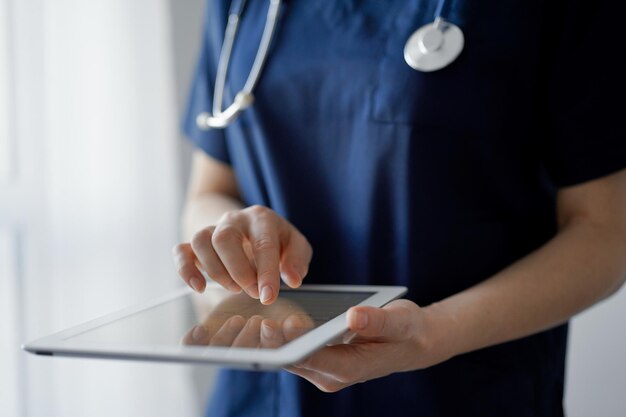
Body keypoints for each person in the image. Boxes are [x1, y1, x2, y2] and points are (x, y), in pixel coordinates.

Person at [172, 0, 626, 416]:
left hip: (465, 393)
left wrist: (434, 332)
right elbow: (209, 193)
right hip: (264, 397)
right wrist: (236, 249)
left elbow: (605, 231)